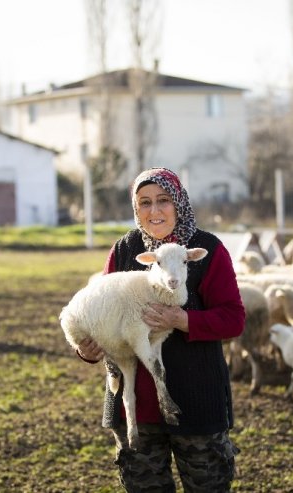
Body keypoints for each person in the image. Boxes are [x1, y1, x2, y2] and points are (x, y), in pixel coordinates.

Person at [75, 167, 245, 492]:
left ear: (178, 202)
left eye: (163, 200)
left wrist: (182, 320)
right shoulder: (125, 250)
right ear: (135, 208)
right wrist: (86, 348)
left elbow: (234, 318)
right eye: (145, 203)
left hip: (196, 403)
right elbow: (98, 308)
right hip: (136, 408)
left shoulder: (207, 251)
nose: (154, 211)